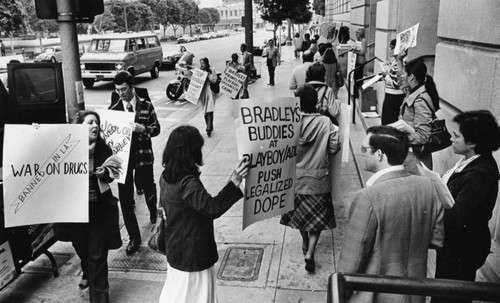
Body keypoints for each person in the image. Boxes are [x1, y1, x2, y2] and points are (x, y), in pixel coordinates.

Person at [338, 125, 444, 303]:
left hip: (377, 295)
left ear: (379, 154)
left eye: (365, 149)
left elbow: (351, 262)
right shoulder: (428, 187)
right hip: (416, 293)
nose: (362, 153)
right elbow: (437, 240)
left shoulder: (368, 197)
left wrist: (338, 294)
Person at [158, 125, 249, 303]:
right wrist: (236, 181)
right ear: (190, 152)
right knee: (196, 296)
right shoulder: (188, 183)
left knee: (176, 294)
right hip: (193, 255)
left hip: (176, 249)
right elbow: (212, 208)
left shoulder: (166, 176)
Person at [432, 110, 500, 303]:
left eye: (457, 135)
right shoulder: (471, 161)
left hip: (463, 248)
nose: (451, 138)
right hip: (455, 244)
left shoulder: (478, 174)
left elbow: (458, 216)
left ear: (472, 143)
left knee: (450, 297)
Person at [55, 110, 122, 303]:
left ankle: (100, 298)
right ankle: (87, 268)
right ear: (79, 127)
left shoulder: (103, 149)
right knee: (83, 249)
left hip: (98, 212)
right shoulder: (66, 147)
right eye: (90, 122)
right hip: (75, 213)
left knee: (98, 255)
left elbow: (112, 174)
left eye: (97, 123)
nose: (95, 126)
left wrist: (105, 174)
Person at [280, 84, 340, 273]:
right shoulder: (325, 123)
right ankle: (310, 251)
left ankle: (305, 243)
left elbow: (281, 151)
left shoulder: (289, 122)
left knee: (299, 216)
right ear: (316, 102)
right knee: (316, 219)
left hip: (295, 181)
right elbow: (333, 149)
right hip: (319, 180)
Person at [109, 71, 160, 255]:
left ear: (131, 87)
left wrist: (143, 128)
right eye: (117, 90)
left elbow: (157, 128)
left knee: (148, 186)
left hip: (143, 156)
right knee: (125, 198)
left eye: (123, 89)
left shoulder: (146, 105)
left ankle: (153, 211)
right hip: (122, 161)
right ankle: (134, 237)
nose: (121, 93)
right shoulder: (113, 109)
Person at [390, 57, 440, 169]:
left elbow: (423, 136)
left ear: (411, 77)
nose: (401, 77)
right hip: (410, 156)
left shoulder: (420, 100)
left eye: (404, 73)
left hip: (417, 161)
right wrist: (399, 58)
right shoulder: (413, 93)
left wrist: (400, 138)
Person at [380, 39, 405, 125]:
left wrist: (386, 76)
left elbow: (396, 83)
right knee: (386, 120)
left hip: (395, 96)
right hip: (390, 94)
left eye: (392, 48)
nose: (390, 50)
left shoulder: (400, 63)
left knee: (390, 121)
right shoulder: (394, 62)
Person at [199, 57, 218, 136]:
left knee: (209, 109)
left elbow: (214, 80)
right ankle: (209, 124)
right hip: (203, 92)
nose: (202, 65)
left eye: (203, 63)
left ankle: (209, 127)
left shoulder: (211, 70)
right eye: (201, 63)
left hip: (210, 91)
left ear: (206, 63)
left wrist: (208, 75)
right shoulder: (200, 70)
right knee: (205, 110)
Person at [350, 28, 367, 100]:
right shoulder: (357, 40)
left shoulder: (364, 40)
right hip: (356, 61)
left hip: (360, 61)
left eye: (357, 33)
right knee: (355, 77)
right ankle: (355, 93)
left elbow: (363, 52)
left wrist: (356, 51)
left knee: (359, 77)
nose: (356, 35)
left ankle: (358, 93)